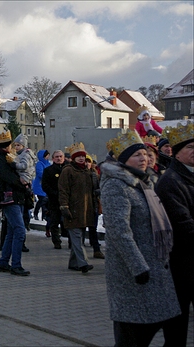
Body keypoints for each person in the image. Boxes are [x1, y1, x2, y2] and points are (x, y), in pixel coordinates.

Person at [101, 129, 180, 346]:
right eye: (137, 155)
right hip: (134, 272)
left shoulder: (143, 183)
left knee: (158, 325)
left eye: (145, 154)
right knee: (132, 333)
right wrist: (138, 267)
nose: (144, 159)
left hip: (155, 267)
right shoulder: (116, 185)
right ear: (124, 158)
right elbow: (119, 232)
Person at [155, 122, 194, 347]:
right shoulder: (170, 182)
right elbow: (183, 226)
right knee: (177, 327)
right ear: (177, 154)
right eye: (191, 147)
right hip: (181, 264)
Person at [0, 131, 30, 276]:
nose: (11, 147)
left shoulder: (7, 158)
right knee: (19, 230)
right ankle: (16, 265)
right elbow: (8, 177)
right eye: (9, 145)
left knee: (12, 232)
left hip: (16, 197)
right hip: (8, 198)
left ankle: (3, 262)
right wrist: (23, 185)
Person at [59, 143, 95, 273]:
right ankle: (83, 263)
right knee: (77, 237)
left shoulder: (87, 171)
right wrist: (64, 206)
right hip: (72, 209)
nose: (81, 159)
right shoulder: (68, 170)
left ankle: (73, 263)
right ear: (73, 158)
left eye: (83, 156)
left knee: (78, 237)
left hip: (85, 210)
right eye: (78, 156)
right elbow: (63, 190)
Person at [41, 150, 68, 249]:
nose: (59, 158)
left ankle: (70, 240)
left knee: (68, 221)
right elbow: (45, 185)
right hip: (54, 200)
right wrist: (53, 193)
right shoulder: (48, 170)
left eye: (61, 156)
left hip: (67, 200)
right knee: (54, 222)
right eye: (56, 156)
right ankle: (56, 241)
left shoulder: (68, 169)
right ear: (53, 158)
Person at [85, 154, 104, 259]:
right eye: (85, 161)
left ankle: (96, 249)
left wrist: (95, 192)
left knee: (93, 227)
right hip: (83, 204)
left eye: (89, 161)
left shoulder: (95, 174)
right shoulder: (80, 174)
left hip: (93, 203)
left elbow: (99, 188)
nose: (87, 163)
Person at [33, 149, 50, 221]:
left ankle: (44, 215)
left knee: (45, 201)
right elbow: (40, 173)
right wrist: (47, 176)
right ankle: (36, 213)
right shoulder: (40, 164)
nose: (47, 157)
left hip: (46, 184)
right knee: (42, 200)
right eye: (46, 156)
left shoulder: (48, 163)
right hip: (40, 185)